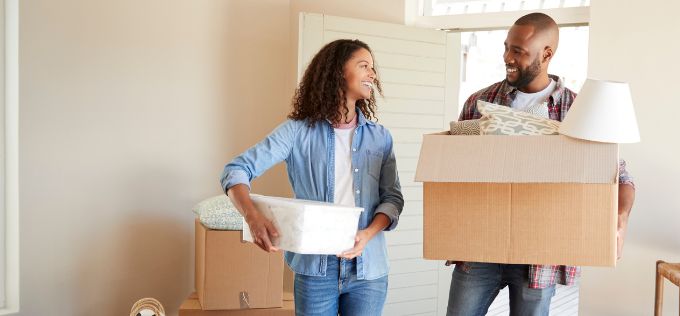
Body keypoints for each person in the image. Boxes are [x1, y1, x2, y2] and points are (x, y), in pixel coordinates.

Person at [446, 13, 636, 316]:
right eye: (507, 47)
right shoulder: (480, 101)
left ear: (547, 54)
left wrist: (620, 218)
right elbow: (452, 167)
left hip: (540, 253)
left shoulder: (578, 111)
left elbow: (620, 177)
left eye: (518, 51)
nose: (508, 57)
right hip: (480, 246)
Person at [220, 39, 404, 316]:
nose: (372, 74)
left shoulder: (380, 138)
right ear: (338, 71)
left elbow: (392, 199)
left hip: (369, 270)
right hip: (316, 271)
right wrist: (252, 217)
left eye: (373, 68)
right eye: (364, 66)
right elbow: (236, 170)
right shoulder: (296, 132)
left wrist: (367, 234)